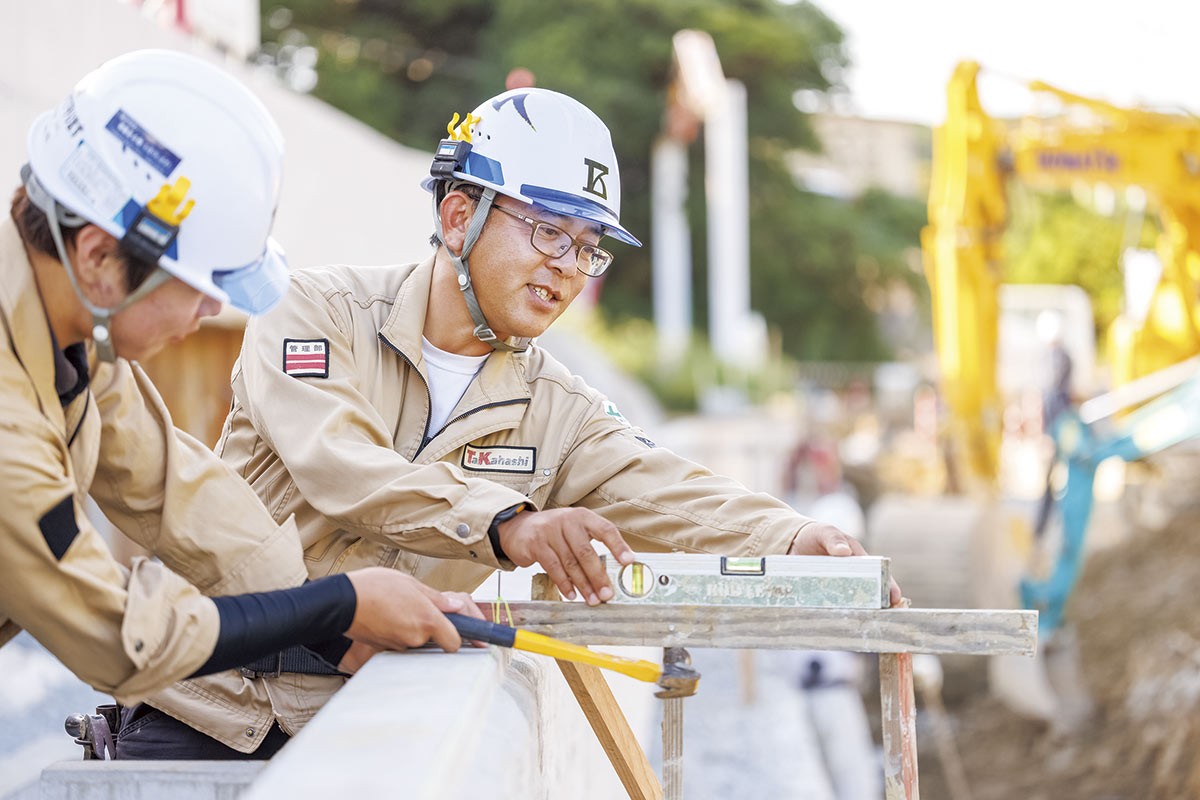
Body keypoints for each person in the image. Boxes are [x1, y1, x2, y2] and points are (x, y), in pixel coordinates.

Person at [125, 86, 902, 757]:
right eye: (548, 231)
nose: (567, 265)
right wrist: (507, 524)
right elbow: (342, 468)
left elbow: (664, 487)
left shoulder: (555, 406)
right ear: (458, 216)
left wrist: (793, 539)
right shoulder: (311, 313)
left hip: (371, 729)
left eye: (587, 247)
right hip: (205, 712)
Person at [1, 49, 483, 757]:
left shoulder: (69, 324)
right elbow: (117, 636)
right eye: (202, 284)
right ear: (101, 257)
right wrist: (336, 605)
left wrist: (329, 629)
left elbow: (174, 490)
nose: (210, 311)